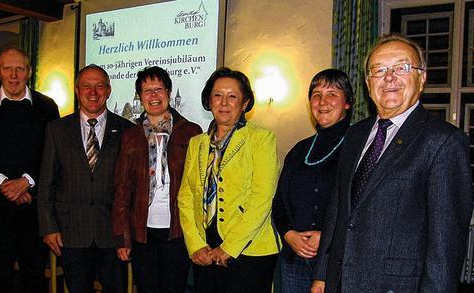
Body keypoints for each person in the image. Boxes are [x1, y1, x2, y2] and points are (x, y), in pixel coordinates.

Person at [311, 34, 473, 293]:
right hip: (340, 282)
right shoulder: (355, 135)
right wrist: (322, 274)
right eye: (379, 70)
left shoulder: (444, 142)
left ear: (422, 78)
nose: (389, 78)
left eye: (402, 68)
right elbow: (338, 211)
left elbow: (446, 245)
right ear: (367, 82)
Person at [0, 46, 60, 292]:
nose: (13, 75)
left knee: (34, 275)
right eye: (7, 68)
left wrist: (26, 182)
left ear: (29, 72)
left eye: (19, 69)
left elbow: (54, 155)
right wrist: (5, 184)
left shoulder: (47, 107)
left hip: (34, 207)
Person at [178, 67, 280, 293]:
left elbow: (262, 198)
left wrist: (230, 247)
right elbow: (186, 196)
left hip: (250, 250)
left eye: (232, 96)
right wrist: (195, 244)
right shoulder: (197, 144)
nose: (224, 102)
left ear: (244, 103)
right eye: (217, 95)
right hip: (206, 247)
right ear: (209, 100)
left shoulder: (261, 138)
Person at [37, 64, 133, 292]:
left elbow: (132, 187)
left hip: (113, 235)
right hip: (71, 233)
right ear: (77, 90)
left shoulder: (127, 130)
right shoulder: (56, 129)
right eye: (86, 86)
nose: (93, 92)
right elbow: (46, 183)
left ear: (108, 91)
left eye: (99, 86)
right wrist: (48, 228)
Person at [112, 66, 202, 293]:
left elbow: (198, 185)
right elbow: (122, 188)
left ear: (169, 93)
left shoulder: (190, 132)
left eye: (159, 89)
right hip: (142, 231)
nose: (153, 96)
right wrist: (122, 237)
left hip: (178, 230)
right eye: (146, 91)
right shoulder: (131, 136)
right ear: (140, 97)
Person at [272, 69, 353, 293]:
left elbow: (360, 209)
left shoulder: (359, 147)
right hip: (294, 259)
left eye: (332, 94)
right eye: (316, 94)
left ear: (347, 102)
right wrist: (289, 234)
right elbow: (279, 202)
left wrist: (327, 238)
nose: (322, 101)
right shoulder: (300, 150)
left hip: (337, 261)